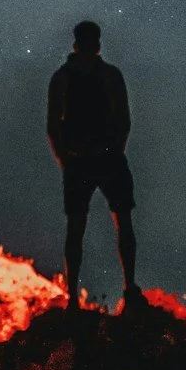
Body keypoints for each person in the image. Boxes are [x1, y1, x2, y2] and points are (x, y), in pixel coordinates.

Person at [47, 18, 141, 311]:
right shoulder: (96, 76)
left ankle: (79, 296)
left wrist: (68, 160)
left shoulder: (67, 77)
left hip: (90, 160)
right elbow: (123, 119)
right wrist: (110, 153)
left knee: (84, 227)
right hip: (96, 159)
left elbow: (53, 125)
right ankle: (95, 293)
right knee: (109, 223)